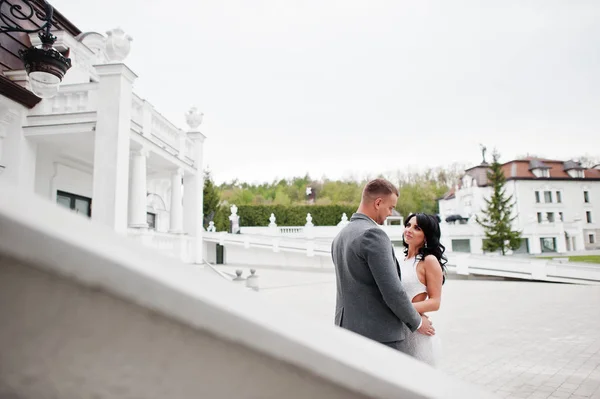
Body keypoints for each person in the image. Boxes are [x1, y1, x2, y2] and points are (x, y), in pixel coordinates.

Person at [332, 178, 435, 351]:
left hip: (347, 333)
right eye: (391, 207)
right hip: (379, 337)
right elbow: (392, 291)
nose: (390, 213)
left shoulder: (341, 236)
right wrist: (417, 322)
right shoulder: (373, 235)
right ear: (378, 202)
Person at [399, 212, 447, 366]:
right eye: (408, 225)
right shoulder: (401, 261)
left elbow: (435, 302)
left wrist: (403, 310)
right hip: (399, 331)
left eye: (417, 228)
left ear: (426, 236)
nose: (409, 230)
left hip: (417, 336)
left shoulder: (429, 261)